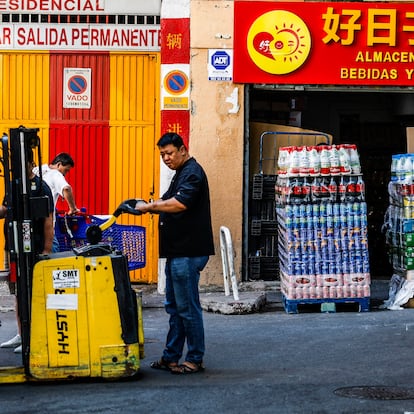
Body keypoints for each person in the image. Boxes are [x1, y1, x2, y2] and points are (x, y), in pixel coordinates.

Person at [136, 132, 214, 375]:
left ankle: (194, 358)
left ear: (183, 149)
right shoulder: (181, 173)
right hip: (177, 251)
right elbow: (168, 199)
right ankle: (171, 356)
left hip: (188, 251)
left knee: (187, 308)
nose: (166, 158)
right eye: (162, 155)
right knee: (175, 307)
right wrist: (146, 202)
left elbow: (180, 204)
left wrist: (150, 207)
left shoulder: (192, 172)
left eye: (169, 153)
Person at [0, 151, 54, 353]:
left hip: (33, 248)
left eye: (23, 164)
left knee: (31, 292)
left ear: (32, 163)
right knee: (17, 291)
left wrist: (46, 250)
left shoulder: (41, 187)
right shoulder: (13, 186)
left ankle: (33, 335)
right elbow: (5, 209)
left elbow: (48, 221)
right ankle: (21, 334)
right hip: (12, 247)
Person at [33, 152, 79, 252]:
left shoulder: (37, 171)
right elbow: (66, 189)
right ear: (58, 164)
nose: (65, 174)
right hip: (47, 227)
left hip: (33, 226)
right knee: (53, 256)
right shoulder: (55, 174)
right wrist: (73, 208)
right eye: (66, 170)